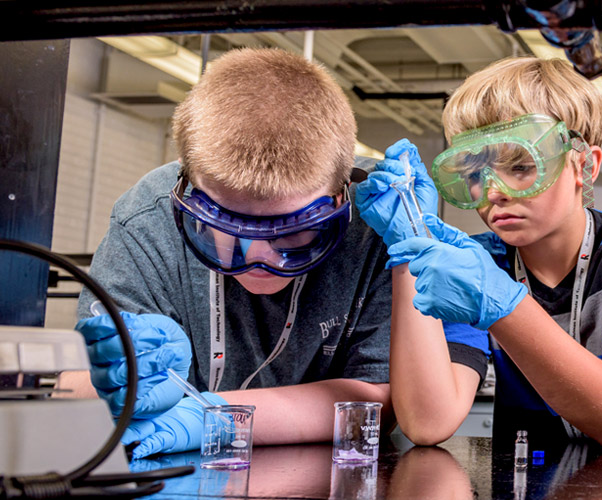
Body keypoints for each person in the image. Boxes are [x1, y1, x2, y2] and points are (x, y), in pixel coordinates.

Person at [64, 48, 393, 458]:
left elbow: (378, 400)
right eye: (224, 227)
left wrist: (213, 417)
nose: (259, 258)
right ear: (188, 187)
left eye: (294, 232)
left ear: (340, 193)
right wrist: (114, 380)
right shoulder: (146, 217)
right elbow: (68, 382)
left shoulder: (379, 220)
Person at [356, 57, 602, 451]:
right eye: (475, 174)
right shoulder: (480, 260)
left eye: (521, 166)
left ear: (584, 165)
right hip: (523, 479)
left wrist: (505, 306)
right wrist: (410, 246)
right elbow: (428, 422)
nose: (494, 191)